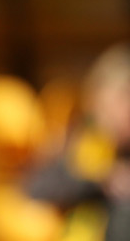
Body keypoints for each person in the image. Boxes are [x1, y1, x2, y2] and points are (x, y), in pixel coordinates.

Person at [23, 43, 130, 241]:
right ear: (95, 102)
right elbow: (36, 188)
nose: (124, 111)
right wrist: (101, 175)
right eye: (119, 100)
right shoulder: (80, 141)